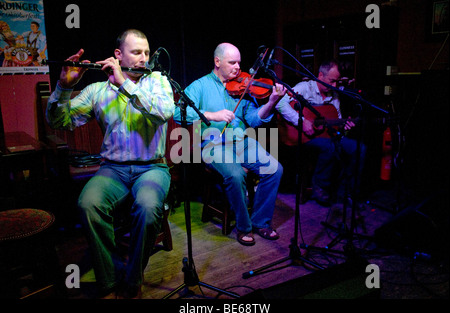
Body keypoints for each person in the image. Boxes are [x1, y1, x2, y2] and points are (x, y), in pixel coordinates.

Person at [46, 29, 175, 298]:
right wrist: (65, 87)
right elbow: (59, 122)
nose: (143, 59)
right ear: (118, 55)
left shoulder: (157, 82)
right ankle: (110, 279)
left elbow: (164, 113)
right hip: (112, 169)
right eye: (136, 52)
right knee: (88, 203)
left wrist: (125, 85)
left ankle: (133, 278)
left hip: (152, 167)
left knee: (149, 207)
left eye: (146, 53)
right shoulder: (97, 91)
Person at [173, 43, 285, 246]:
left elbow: (253, 119)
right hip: (212, 144)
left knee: (275, 169)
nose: (237, 67)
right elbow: (178, 113)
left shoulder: (244, 85)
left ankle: (261, 221)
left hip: (241, 141)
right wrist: (211, 115)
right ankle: (244, 227)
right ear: (217, 62)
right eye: (232, 62)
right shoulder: (200, 86)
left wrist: (271, 102)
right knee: (235, 174)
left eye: (239, 62)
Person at [276, 59, 366, 207]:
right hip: (302, 136)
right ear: (320, 76)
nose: (335, 85)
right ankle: (320, 186)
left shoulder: (334, 95)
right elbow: (280, 104)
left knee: (359, 148)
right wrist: (302, 121)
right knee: (330, 146)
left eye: (337, 81)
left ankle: (346, 193)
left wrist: (345, 128)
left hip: (326, 136)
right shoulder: (304, 87)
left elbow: (335, 122)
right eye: (331, 81)